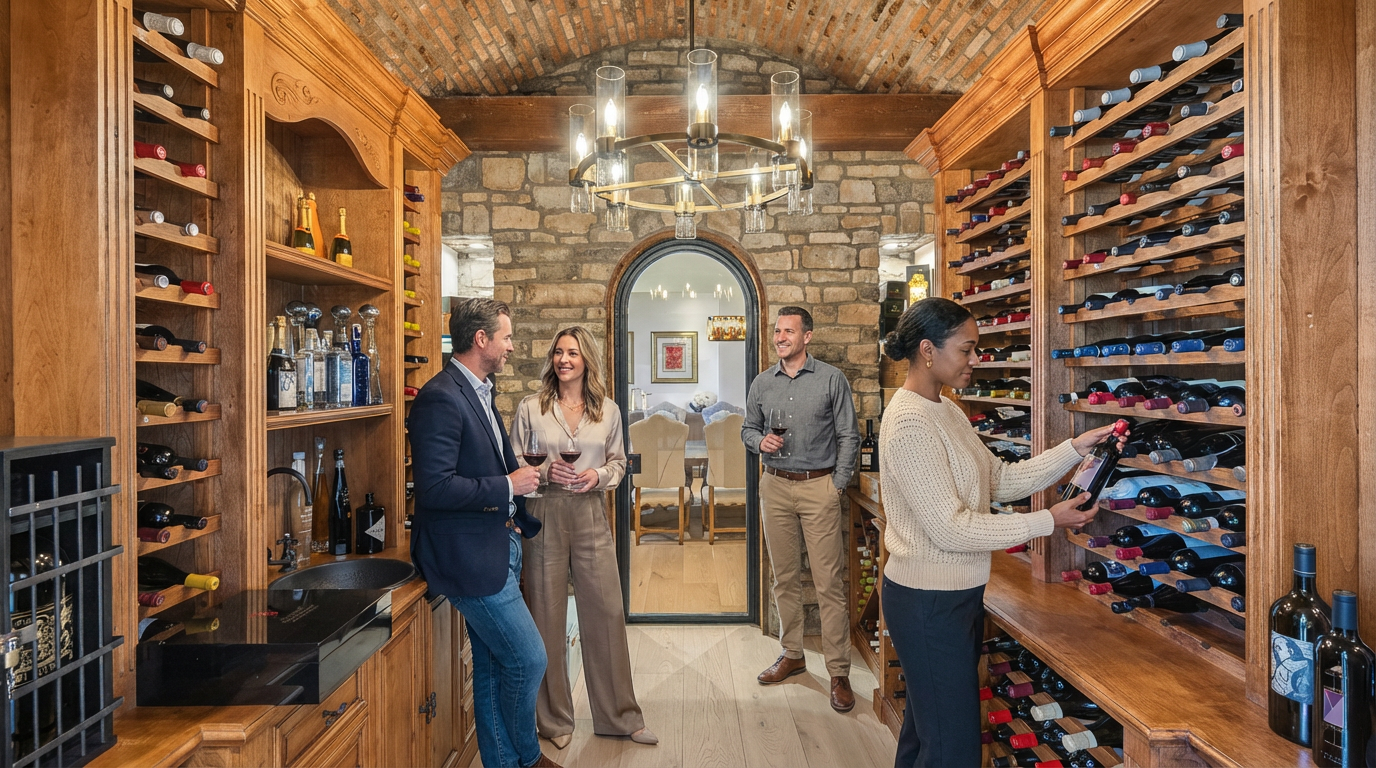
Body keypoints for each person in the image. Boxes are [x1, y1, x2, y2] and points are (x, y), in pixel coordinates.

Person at [878, 297, 1126, 768]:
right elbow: (950, 529)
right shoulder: (909, 422)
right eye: (966, 349)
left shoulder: (946, 410)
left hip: (952, 597)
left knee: (927, 736)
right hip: (927, 603)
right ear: (928, 350)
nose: (976, 359)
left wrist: (1075, 448)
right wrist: (1049, 520)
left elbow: (1000, 479)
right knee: (951, 750)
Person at [409, 298, 560, 768]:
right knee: (529, 660)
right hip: (467, 557)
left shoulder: (478, 391)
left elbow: (491, 466)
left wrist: (522, 487)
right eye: (506, 337)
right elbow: (434, 488)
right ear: (481, 339)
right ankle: (528, 758)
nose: (512, 346)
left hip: (498, 544)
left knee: (494, 668)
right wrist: (508, 485)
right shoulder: (440, 396)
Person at [511, 327, 657, 750]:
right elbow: (515, 459)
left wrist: (598, 475)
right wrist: (543, 472)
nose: (564, 359)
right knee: (546, 616)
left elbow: (620, 463)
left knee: (606, 613)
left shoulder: (608, 410)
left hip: (591, 510)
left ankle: (619, 717)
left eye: (572, 353)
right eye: (558, 352)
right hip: (544, 512)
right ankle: (554, 721)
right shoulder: (531, 407)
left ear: (586, 359)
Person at [741, 305, 861, 713]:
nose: (780, 337)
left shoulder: (831, 379)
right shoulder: (762, 383)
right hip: (774, 485)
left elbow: (849, 435)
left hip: (818, 487)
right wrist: (759, 442)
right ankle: (792, 654)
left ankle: (839, 672)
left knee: (829, 584)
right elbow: (747, 429)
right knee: (784, 578)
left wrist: (836, 485)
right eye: (777, 331)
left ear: (807, 336)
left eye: (788, 331)